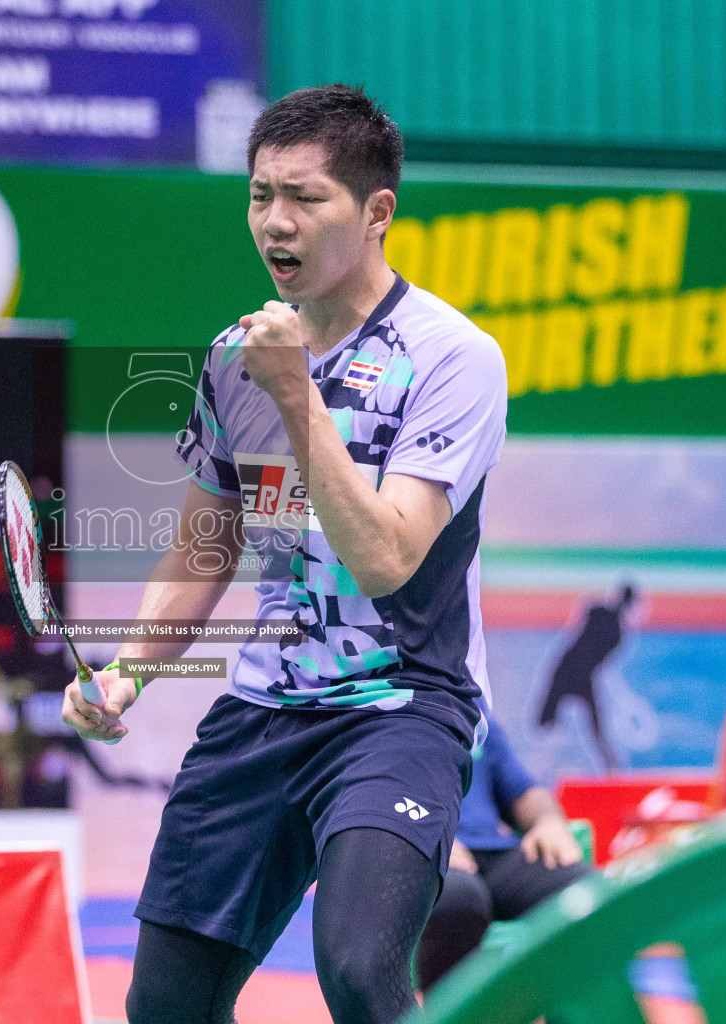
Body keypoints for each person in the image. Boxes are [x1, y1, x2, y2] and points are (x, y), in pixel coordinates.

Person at [62, 84, 509, 1024]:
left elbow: (388, 558)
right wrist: (125, 676)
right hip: (264, 707)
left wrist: (298, 396)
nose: (275, 221)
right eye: (260, 194)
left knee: (357, 970)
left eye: (305, 197)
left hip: (404, 708)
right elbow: (203, 553)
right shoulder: (238, 357)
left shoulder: (454, 359)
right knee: (164, 1009)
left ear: (376, 211)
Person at [413, 718, 590, 992]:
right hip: (425, 852)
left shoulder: (478, 721)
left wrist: (548, 821)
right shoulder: (379, 711)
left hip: (496, 853)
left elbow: (524, 791)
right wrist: (420, 836)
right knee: (461, 899)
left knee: (586, 893)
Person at [537, 583, 637, 773]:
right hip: (567, 671)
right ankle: (541, 770)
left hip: (575, 674)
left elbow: (599, 660)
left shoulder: (610, 624)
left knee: (593, 728)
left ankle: (612, 772)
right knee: (546, 724)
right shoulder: (608, 623)